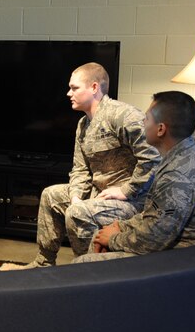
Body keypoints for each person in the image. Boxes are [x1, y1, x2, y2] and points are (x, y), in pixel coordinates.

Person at [17, 62, 161, 267]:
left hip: (134, 202)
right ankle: (44, 262)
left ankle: (86, 269)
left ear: (94, 88)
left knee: (78, 213)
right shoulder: (83, 124)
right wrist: (76, 196)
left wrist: (127, 190)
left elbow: (154, 157)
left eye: (74, 88)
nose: (68, 93)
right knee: (51, 195)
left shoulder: (124, 116)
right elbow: (80, 168)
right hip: (98, 193)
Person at [75, 91, 195, 262]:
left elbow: (153, 241)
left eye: (146, 119)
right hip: (180, 244)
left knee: (84, 262)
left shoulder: (176, 177)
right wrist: (119, 226)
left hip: (194, 260)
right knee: (98, 237)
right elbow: (156, 215)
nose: (142, 123)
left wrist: (113, 239)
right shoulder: (186, 152)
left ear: (161, 129)